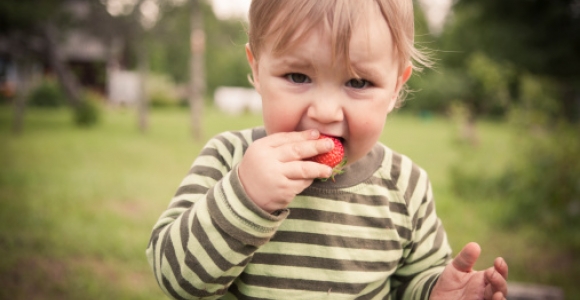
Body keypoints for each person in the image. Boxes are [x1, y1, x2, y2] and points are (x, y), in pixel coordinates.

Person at [146, 0, 509, 299]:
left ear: (396, 87)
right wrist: (245, 196)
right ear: (256, 69)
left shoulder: (406, 186)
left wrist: (436, 292)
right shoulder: (229, 158)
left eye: (358, 82)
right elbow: (175, 278)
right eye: (298, 77)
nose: (324, 111)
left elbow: (410, 284)